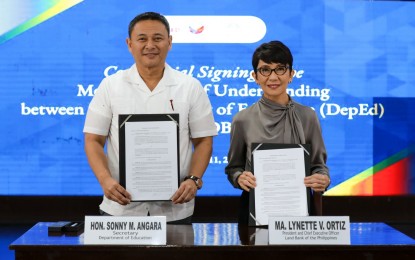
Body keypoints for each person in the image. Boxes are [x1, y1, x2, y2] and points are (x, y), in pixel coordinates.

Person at [83, 12, 217, 224]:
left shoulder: (190, 86)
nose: (150, 45)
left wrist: (193, 179)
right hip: (120, 209)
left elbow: (203, 141)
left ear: (169, 42)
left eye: (157, 38)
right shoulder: (110, 86)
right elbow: (93, 140)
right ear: (129, 44)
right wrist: (105, 180)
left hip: (175, 209)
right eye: (142, 39)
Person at [225, 40, 330, 225]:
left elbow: (319, 166)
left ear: (291, 74)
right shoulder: (242, 119)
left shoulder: (308, 116)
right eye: (265, 70)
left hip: (300, 211)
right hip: (255, 211)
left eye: (280, 69)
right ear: (255, 76)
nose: (273, 77)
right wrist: (239, 177)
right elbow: (233, 168)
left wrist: (323, 179)